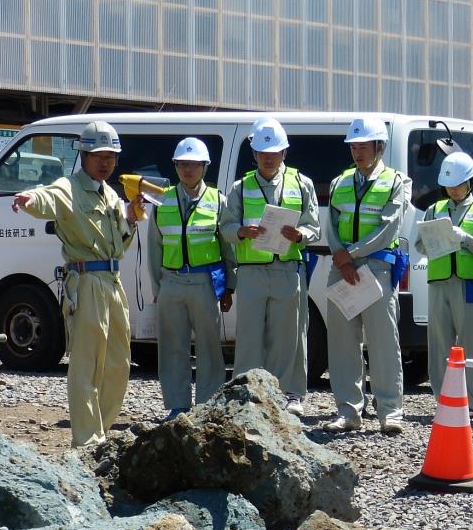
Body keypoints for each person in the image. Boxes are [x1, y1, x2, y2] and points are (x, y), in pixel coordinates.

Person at [12, 120, 138, 447]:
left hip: (112, 281)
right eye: (98, 155)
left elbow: (120, 244)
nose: (105, 162)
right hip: (86, 281)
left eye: (110, 156)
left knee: (118, 362)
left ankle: (101, 431)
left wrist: (132, 220)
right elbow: (48, 198)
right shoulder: (70, 187)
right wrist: (29, 199)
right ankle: (87, 440)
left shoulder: (110, 194)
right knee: (86, 362)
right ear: (83, 154)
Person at [221, 117, 321, 413]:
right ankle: (246, 393)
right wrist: (241, 231)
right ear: (254, 155)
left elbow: (313, 225)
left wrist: (301, 234)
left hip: (288, 269)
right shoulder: (241, 187)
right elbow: (225, 227)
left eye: (274, 152)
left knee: (289, 336)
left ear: (284, 153)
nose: (268, 158)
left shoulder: (302, 184)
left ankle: (290, 395)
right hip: (251, 271)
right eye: (263, 153)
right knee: (249, 336)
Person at [324, 116, 410, 433]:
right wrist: (342, 258)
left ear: (379, 146)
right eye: (354, 146)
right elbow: (330, 226)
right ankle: (348, 410)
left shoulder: (396, 182)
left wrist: (352, 254)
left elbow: (389, 228)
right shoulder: (340, 182)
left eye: (363, 146)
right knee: (342, 342)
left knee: (384, 341)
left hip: (376, 267)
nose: (357, 152)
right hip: (342, 269)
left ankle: (390, 411)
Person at [147, 137, 231, 418]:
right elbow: (154, 246)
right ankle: (177, 405)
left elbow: (227, 248)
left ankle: (208, 404)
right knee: (171, 347)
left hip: (204, 282)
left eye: (194, 164)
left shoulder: (218, 201)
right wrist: (158, 285)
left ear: (205, 167)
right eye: (182, 164)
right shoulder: (162, 199)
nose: (187, 170)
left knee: (209, 347)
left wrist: (229, 286)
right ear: (175, 166)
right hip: (171, 281)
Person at [417, 150, 473, 414]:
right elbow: (419, 245)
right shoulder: (433, 210)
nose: (453, 189)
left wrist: (466, 239)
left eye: (457, 184)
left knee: (472, 343)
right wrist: (435, 238)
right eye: (448, 185)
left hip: (467, 284)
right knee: (439, 343)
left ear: (470, 181)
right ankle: (443, 400)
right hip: (438, 283)